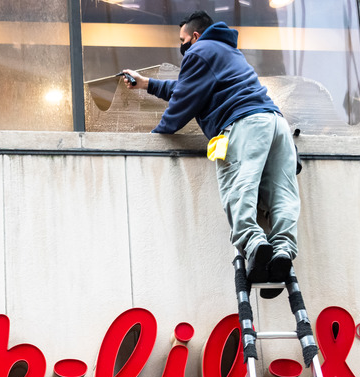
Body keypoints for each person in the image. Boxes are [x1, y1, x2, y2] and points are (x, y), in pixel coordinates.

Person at [122, 10, 300, 294]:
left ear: (194, 36)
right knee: (282, 194)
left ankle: (254, 244)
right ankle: (282, 251)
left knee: (238, 188)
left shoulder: (200, 51)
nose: (181, 48)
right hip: (276, 124)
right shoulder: (228, 52)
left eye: (182, 40)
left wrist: (158, 135)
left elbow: (184, 100)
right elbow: (188, 86)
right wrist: (146, 84)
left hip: (244, 125)